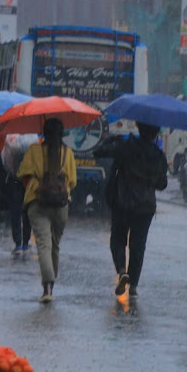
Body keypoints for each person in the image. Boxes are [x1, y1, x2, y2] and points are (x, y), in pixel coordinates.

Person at [94, 122, 168, 298]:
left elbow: (99, 152)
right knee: (138, 245)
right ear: (155, 133)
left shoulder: (125, 147)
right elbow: (162, 184)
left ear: (138, 128)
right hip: (145, 207)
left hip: (122, 202)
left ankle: (121, 271)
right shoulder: (158, 155)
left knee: (118, 240)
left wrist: (110, 140)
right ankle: (133, 286)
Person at [17, 118, 77, 303]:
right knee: (55, 245)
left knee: (43, 244)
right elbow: (73, 181)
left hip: (38, 201)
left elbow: (22, 174)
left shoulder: (34, 151)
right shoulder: (67, 153)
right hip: (61, 204)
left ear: (44, 132)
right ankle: (53, 282)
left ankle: (47, 287)